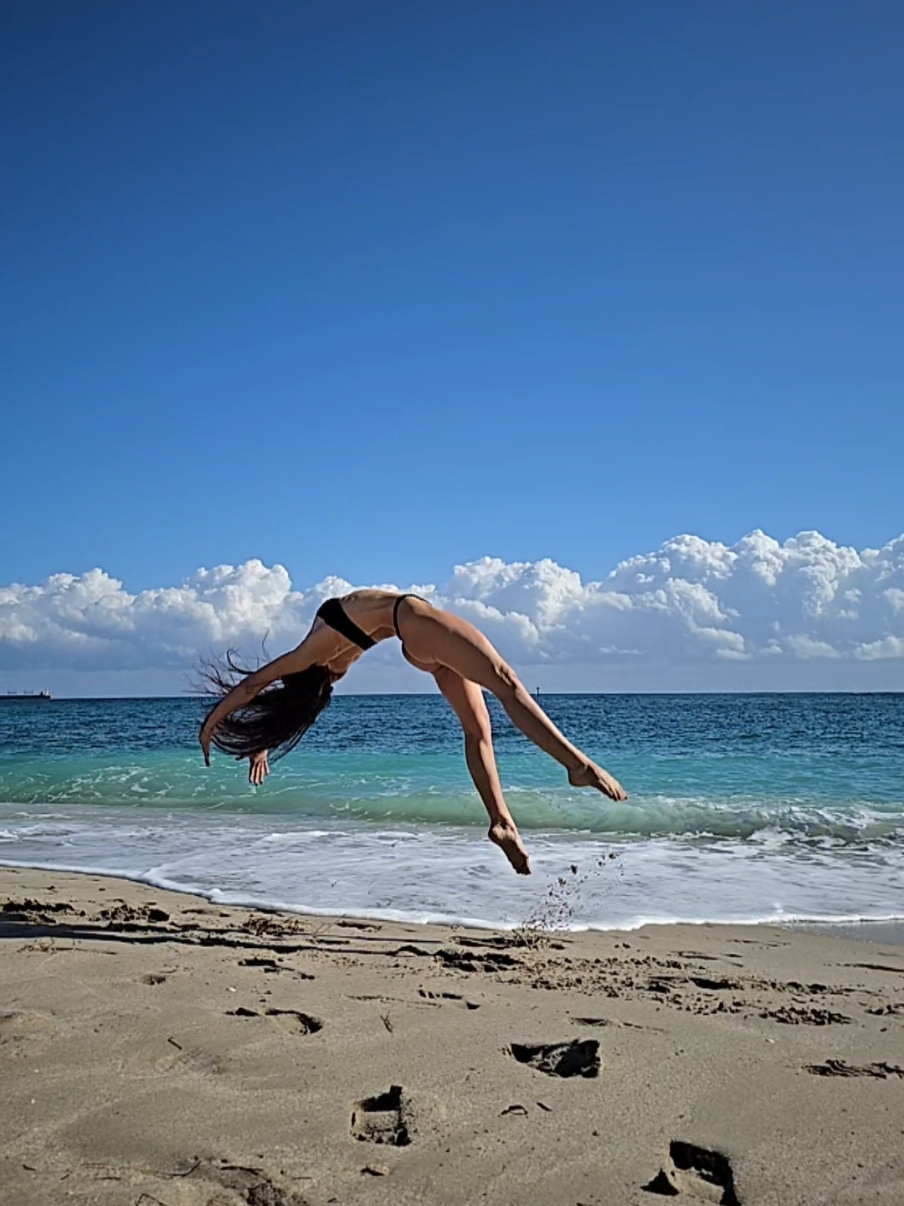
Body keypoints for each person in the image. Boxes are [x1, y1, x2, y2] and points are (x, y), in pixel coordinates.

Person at [198, 591, 627, 875]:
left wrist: (263, 741)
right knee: (505, 681)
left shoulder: (325, 668)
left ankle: (502, 822)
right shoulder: (313, 653)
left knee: (478, 730)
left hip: (417, 646)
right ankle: (577, 764)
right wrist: (211, 722)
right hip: (413, 622)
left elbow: (283, 699)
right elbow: (254, 683)